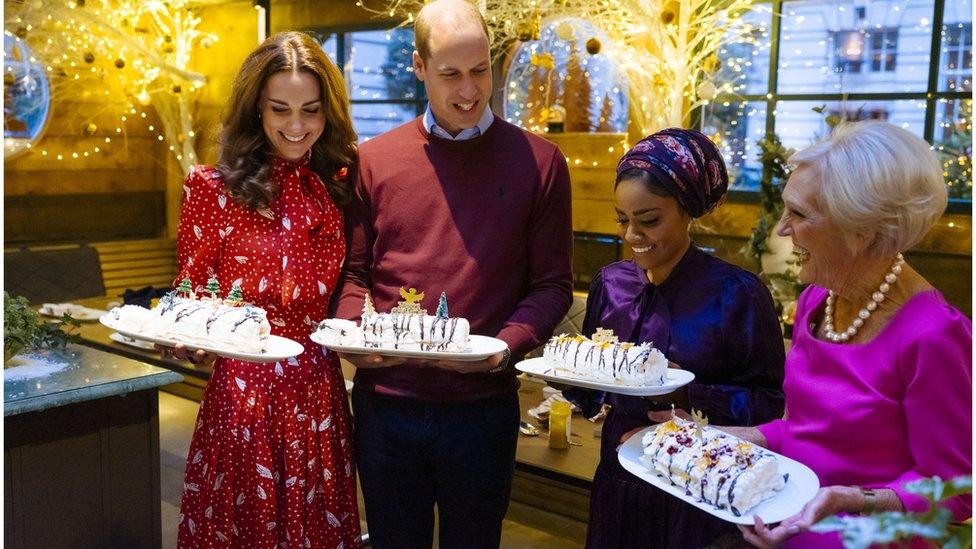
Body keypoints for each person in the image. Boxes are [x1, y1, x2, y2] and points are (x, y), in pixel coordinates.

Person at [331, 0, 574, 546]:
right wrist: (356, 333)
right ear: (419, 67)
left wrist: (507, 345)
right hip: (386, 404)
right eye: (450, 75)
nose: (469, 90)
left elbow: (552, 285)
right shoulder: (376, 159)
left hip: (482, 408)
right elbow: (355, 273)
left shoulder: (540, 162)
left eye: (480, 70)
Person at [702, 120, 972, 548]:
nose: (781, 230)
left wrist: (853, 498)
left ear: (861, 231)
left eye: (799, 214)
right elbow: (802, 432)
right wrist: (705, 435)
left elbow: (955, 490)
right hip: (786, 528)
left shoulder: (933, 334)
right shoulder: (817, 301)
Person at [173, 32, 361, 547]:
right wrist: (186, 340)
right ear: (256, 107)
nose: (296, 127)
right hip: (242, 396)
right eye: (280, 109)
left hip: (319, 390)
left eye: (311, 111)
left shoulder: (341, 183)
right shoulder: (212, 188)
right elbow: (187, 298)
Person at [564, 128, 787, 549]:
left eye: (649, 220)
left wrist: (689, 396)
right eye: (623, 220)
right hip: (620, 473)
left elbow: (769, 401)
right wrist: (570, 373)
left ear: (688, 211)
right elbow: (590, 382)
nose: (632, 236)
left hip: (697, 482)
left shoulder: (736, 294)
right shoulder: (611, 284)